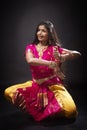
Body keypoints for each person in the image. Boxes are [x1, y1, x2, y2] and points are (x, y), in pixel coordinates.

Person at [4, 20, 81, 122]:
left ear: (49, 33)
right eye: (38, 30)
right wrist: (51, 63)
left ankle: (46, 110)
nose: (40, 33)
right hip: (36, 85)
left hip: (53, 86)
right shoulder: (30, 48)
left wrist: (62, 57)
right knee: (8, 92)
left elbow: (77, 53)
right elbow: (30, 60)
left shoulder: (54, 48)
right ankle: (37, 110)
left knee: (71, 112)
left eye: (44, 31)